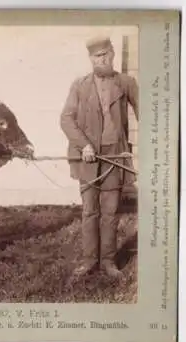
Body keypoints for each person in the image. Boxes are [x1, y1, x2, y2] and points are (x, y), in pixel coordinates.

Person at [60, 36, 139, 280]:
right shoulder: (79, 86)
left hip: (115, 154)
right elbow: (66, 119)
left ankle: (108, 262)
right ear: (90, 59)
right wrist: (84, 145)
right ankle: (88, 261)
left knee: (110, 211)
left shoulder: (126, 82)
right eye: (97, 56)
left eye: (105, 54)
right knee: (90, 211)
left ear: (112, 54)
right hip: (88, 157)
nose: (101, 59)